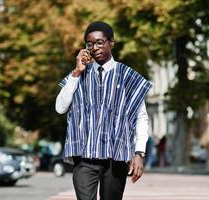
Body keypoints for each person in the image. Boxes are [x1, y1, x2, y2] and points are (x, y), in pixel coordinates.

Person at [55, 21, 152, 200]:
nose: (95, 48)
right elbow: (60, 108)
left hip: (116, 158)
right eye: (89, 44)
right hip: (84, 158)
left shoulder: (128, 76)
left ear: (111, 42)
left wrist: (139, 153)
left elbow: (141, 117)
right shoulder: (77, 75)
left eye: (100, 42)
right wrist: (76, 72)